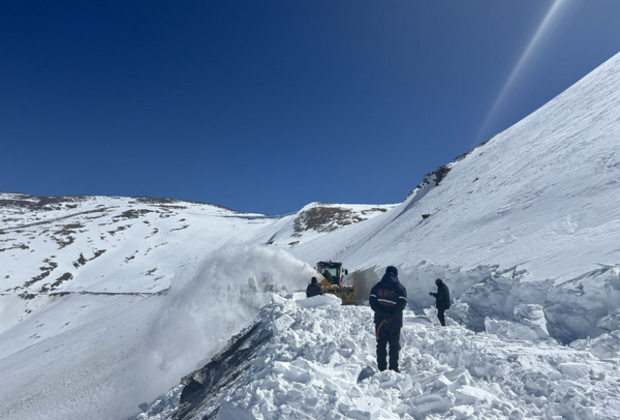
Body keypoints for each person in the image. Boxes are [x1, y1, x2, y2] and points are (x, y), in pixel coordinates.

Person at [369, 266, 407, 372]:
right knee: (394, 346)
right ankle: (393, 368)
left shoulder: (377, 287)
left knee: (381, 345)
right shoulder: (401, 289)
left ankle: (382, 368)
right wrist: (392, 316)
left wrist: (382, 314)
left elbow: (372, 302)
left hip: (380, 323)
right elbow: (401, 305)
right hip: (395, 323)